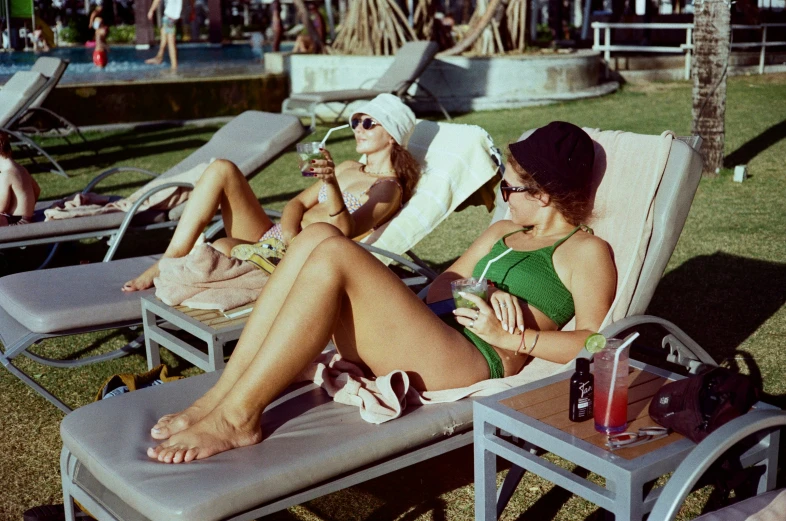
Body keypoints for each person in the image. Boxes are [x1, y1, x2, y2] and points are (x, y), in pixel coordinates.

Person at [145, 121, 617, 464]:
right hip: (429, 329)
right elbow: (440, 285)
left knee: (334, 252)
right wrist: (485, 290)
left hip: (472, 357)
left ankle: (239, 418)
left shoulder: (586, 253)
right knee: (314, 238)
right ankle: (221, 398)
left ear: (545, 195)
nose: (501, 196)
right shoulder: (500, 233)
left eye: (511, 187)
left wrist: (514, 338)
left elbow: (597, 343)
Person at [122, 93, 421, 292]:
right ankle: (170, 256)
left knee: (222, 246)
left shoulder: (387, 190)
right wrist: (289, 233)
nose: (358, 129)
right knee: (221, 169)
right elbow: (295, 203)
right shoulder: (347, 166)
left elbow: (346, 232)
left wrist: (328, 185)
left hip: (290, 258)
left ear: (392, 135)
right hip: (275, 237)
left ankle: (194, 264)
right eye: (356, 122)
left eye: (368, 123)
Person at [0, 132, 40, 226]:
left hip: (17, 224)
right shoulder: (21, 169)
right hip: (25, 219)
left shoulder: (6, 175)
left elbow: (1, 208)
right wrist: (28, 209)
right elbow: (37, 190)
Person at [145, 0, 182, 70]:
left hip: (170, 16)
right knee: (164, 36)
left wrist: (151, 10)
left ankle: (174, 65)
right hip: (174, 15)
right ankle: (159, 57)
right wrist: (192, 10)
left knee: (170, 41)